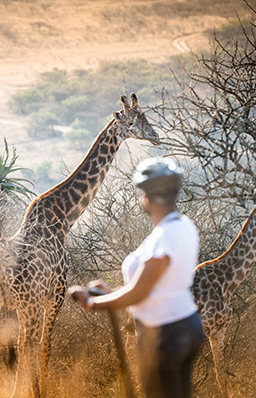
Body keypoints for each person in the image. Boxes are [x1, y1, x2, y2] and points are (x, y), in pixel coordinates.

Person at [68, 157, 204, 398]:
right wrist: (111, 294)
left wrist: (94, 303)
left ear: (147, 197)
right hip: (187, 325)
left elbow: (139, 292)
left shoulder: (164, 237)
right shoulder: (184, 226)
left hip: (165, 335)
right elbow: (157, 286)